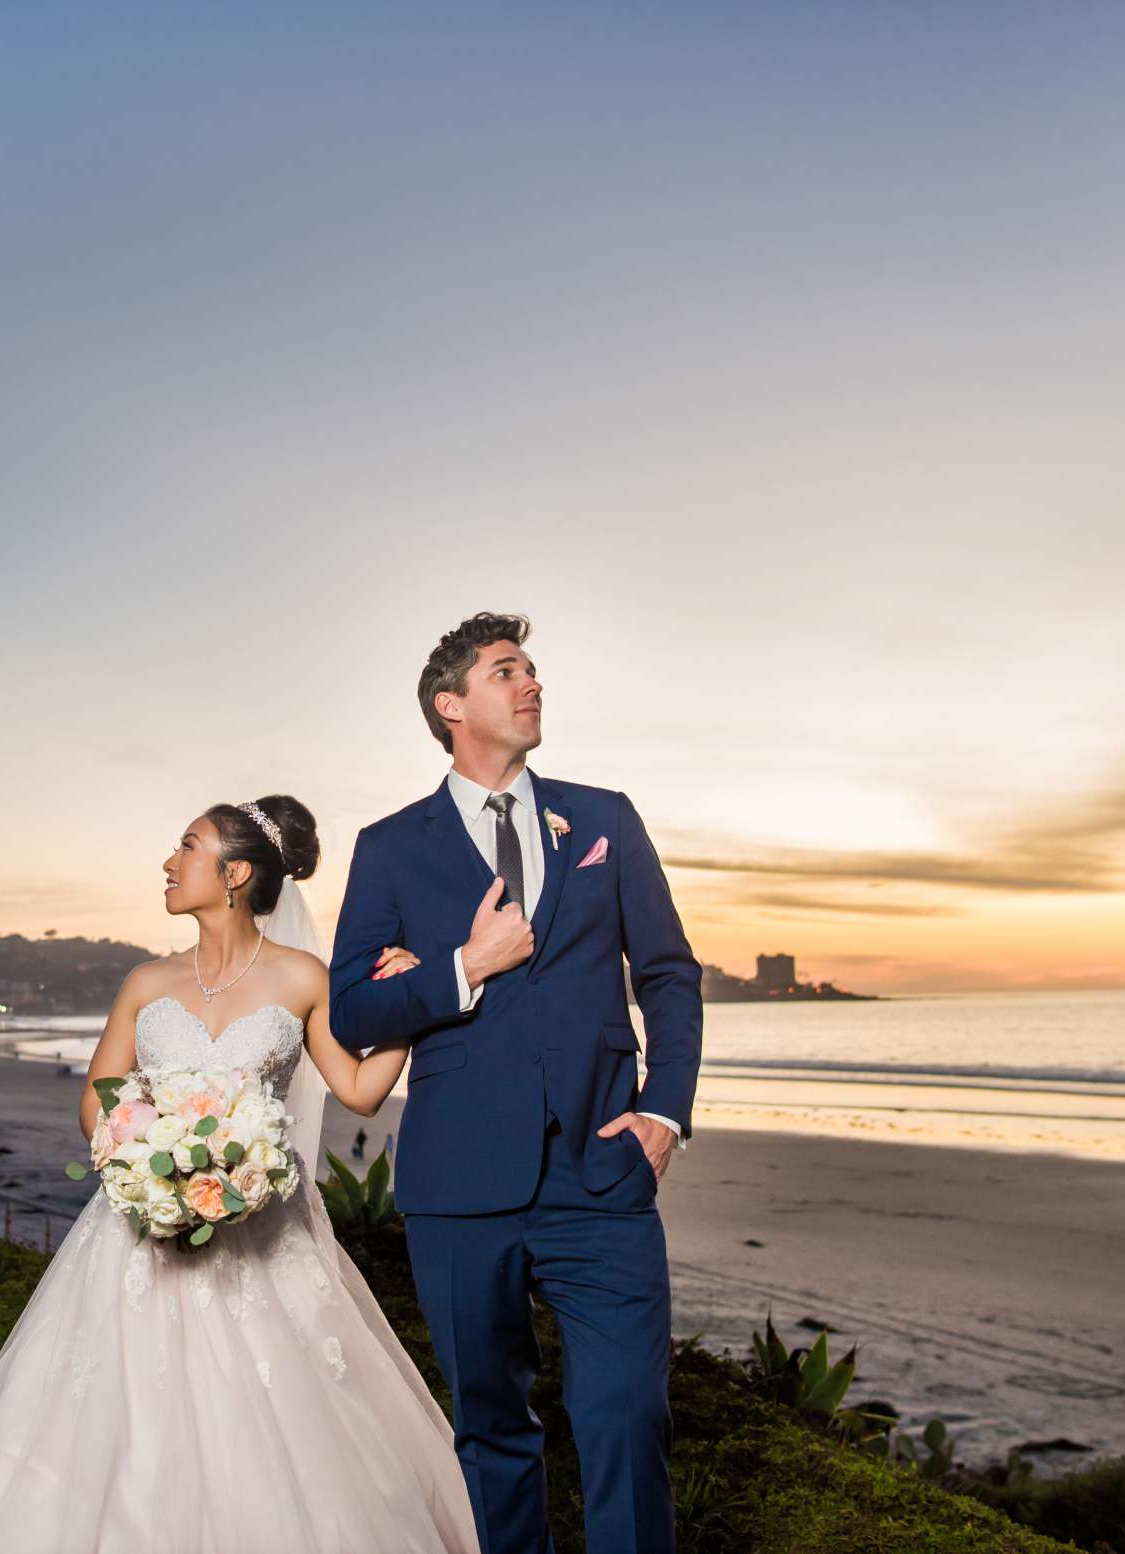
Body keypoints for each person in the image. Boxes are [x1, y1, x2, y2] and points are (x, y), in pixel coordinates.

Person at [0, 795, 479, 1553]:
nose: (169, 863)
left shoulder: (303, 977)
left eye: (187, 846)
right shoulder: (146, 981)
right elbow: (97, 1102)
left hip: (264, 1236)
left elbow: (360, 1091)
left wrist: (405, 1009)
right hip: (142, 1232)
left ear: (234, 872)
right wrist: (151, 1161)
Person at [328, 612, 704, 1554]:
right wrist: (462, 965)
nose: (532, 684)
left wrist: (663, 1111)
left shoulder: (606, 817)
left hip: (601, 1171)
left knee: (625, 1416)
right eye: (507, 672)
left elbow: (668, 974)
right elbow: (352, 1013)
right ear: (451, 705)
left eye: (533, 670)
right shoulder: (389, 847)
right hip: (459, 1185)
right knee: (493, 1434)